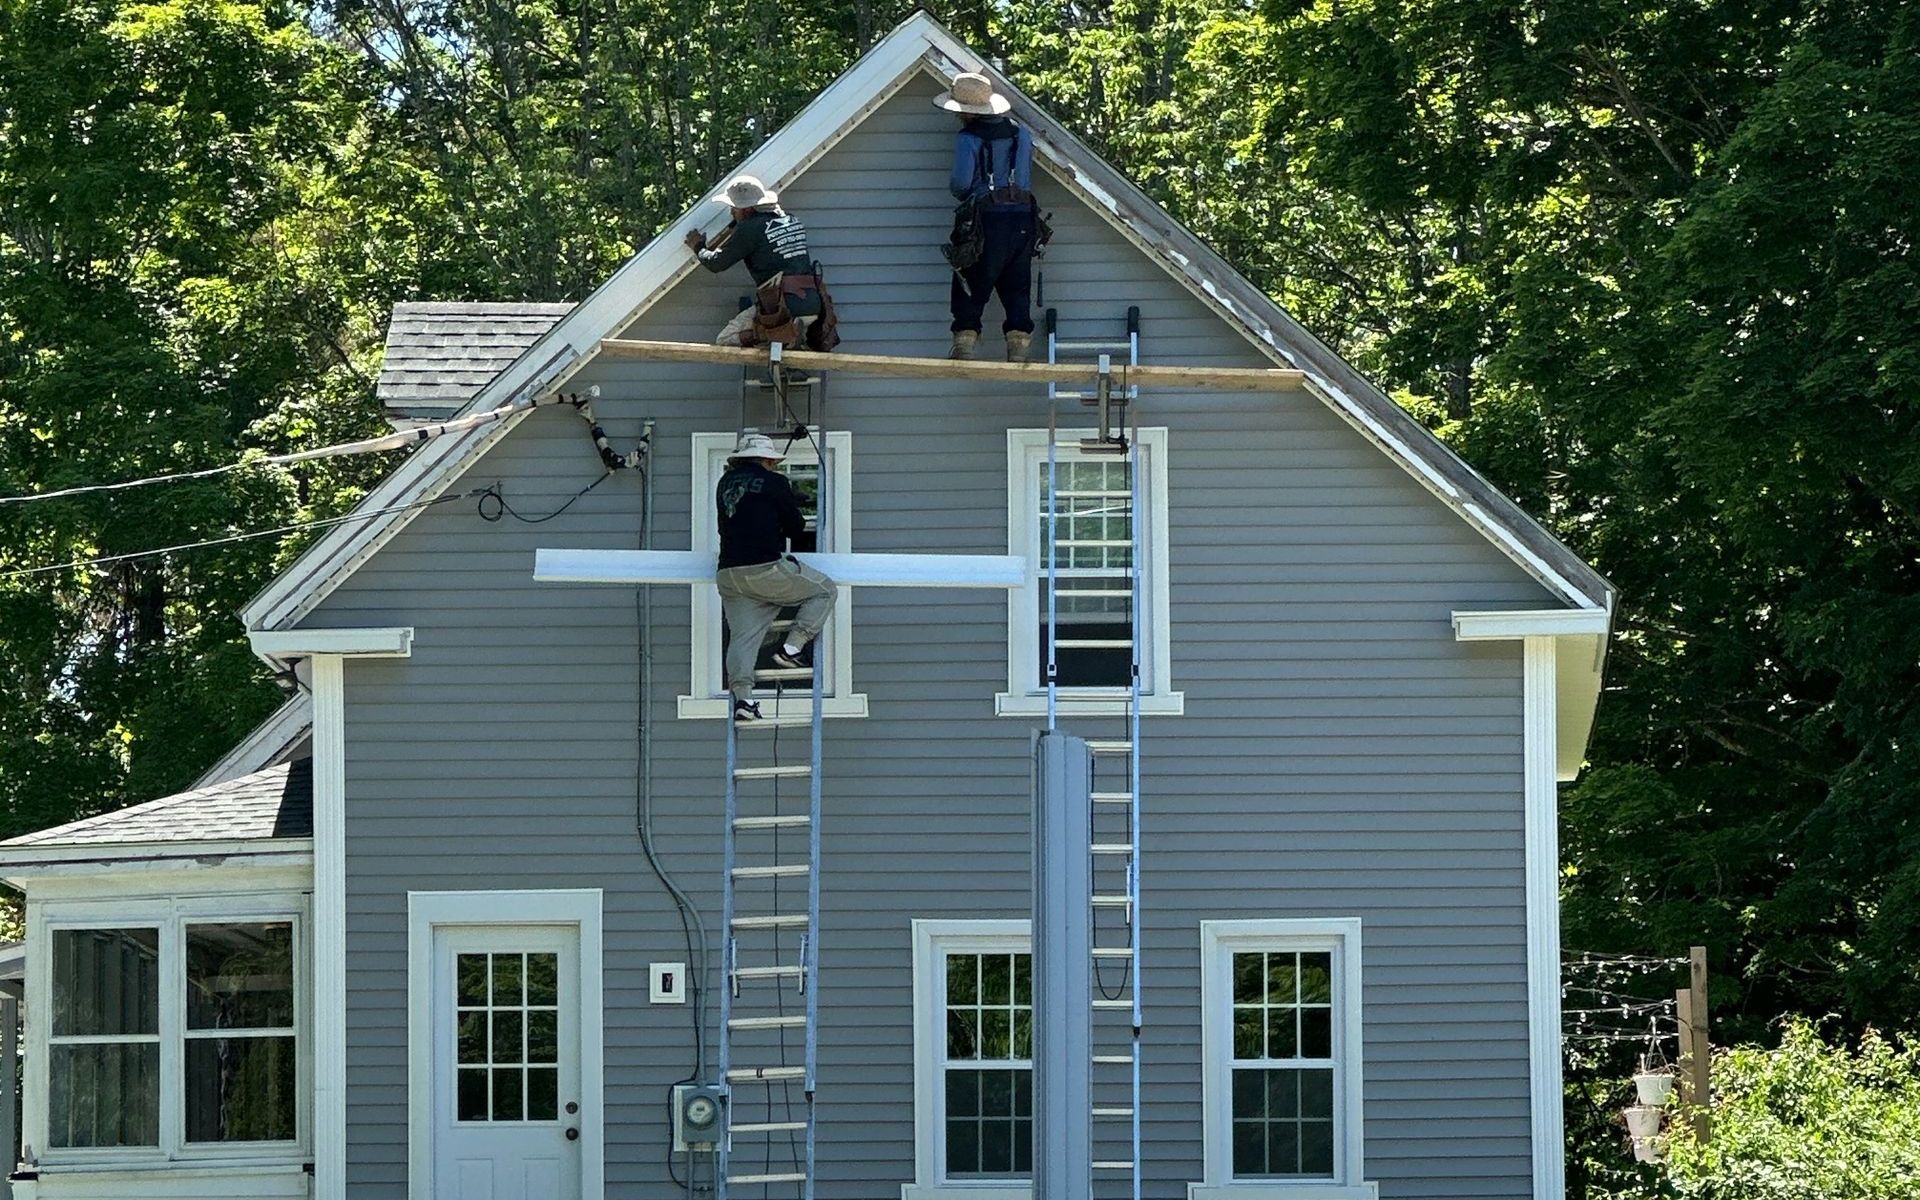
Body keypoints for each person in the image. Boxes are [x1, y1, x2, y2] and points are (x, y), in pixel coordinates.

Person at [714, 431, 837, 721]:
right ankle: (791, 648)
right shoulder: (775, 482)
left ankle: (743, 700)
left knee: (743, 639)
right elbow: (795, 526)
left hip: (728, 574)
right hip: (763, 569)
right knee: (824, 590)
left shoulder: (724, 482)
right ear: (769, 460)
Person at [937, 72, 1037, 362]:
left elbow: (960, 184)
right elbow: (1026, 181)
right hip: (1023, 218)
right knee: (1017, 282)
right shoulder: (1022, 135)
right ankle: (1018, 347)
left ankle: (965, 345)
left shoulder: (968, 139)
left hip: (985, 220)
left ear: (967, 112)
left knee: (970, 278)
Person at [685, 175, 823, 348]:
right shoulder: (791, 219)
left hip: (782, 309)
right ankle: (790, 340)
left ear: (745, 209)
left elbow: (716, 263)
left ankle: (780, 335)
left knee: (726, 339)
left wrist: (698, 247)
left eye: (733, 209)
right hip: (812, 304)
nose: (731, 213)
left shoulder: (750, 229)